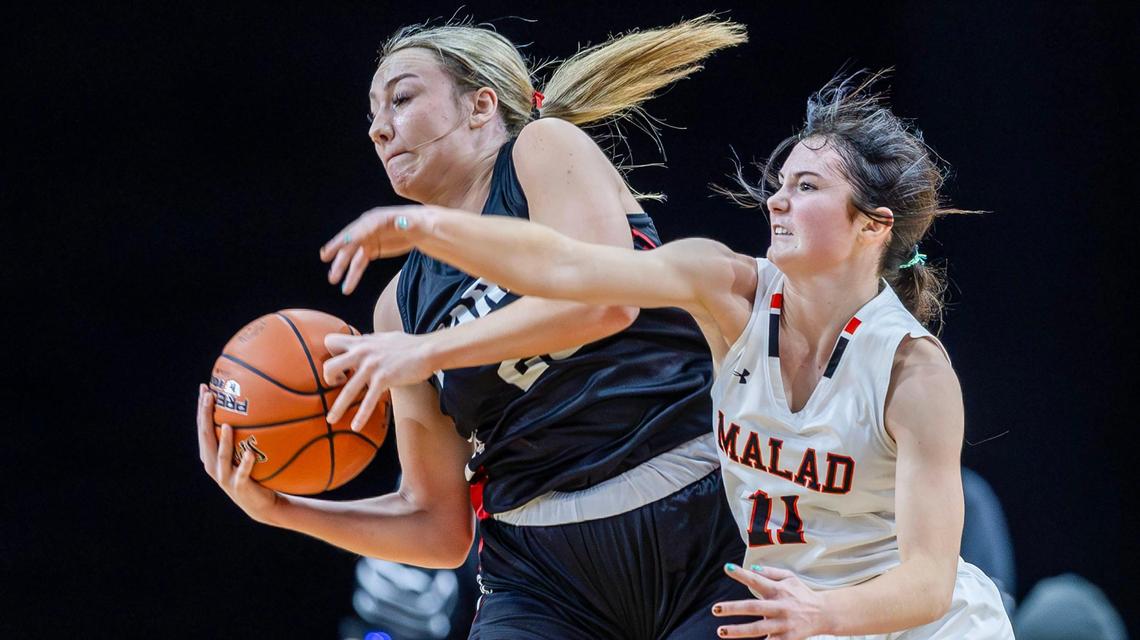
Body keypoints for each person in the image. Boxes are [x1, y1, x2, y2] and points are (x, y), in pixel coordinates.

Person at [321, 72, 1016, 639]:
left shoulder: (912, 372)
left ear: (873, 226)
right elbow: (569, 269)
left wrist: (822, 612)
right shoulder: (726, 288)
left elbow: (927, 582)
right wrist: (425, 226)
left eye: (806, 188)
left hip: (915, 625)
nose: (776, 200)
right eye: (780, 182)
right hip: (800, 621)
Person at [199, 16, 757, 639]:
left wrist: (428, 352)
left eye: (402, 99)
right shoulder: (399, 308)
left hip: (698, 516)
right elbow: (436, 527)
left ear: (480, 105)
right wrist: (280, 509)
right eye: (372, 115)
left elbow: (605, 303)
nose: (379, 128)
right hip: (542, 574)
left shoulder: (544, 150)